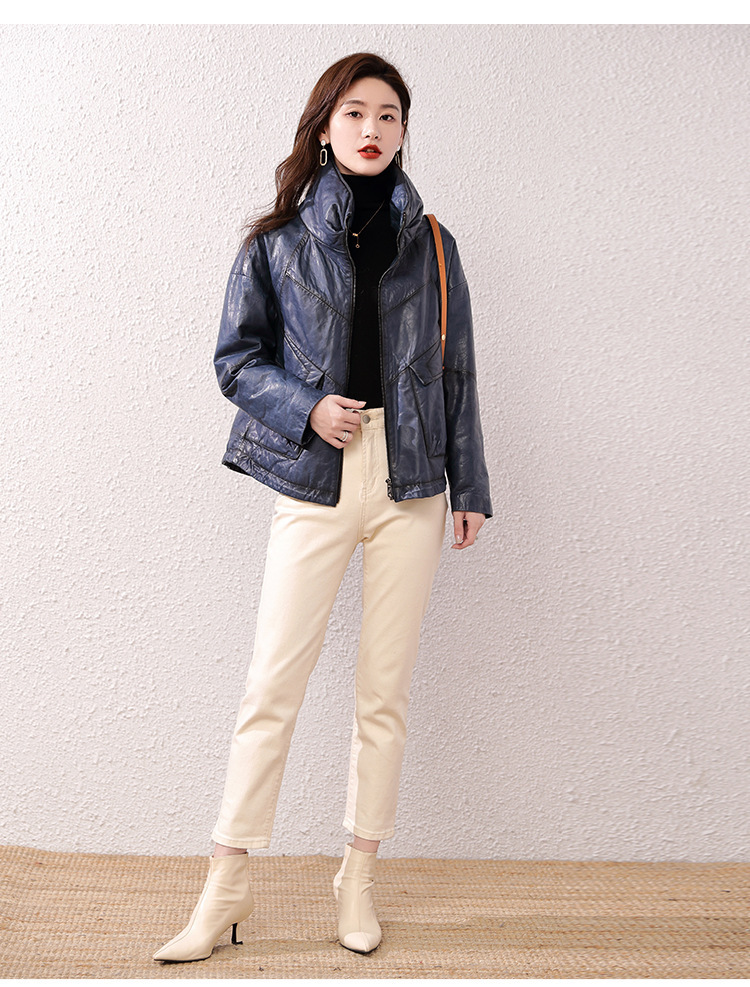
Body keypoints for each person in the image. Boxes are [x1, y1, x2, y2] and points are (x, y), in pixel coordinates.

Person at [153, 51, 492, 964]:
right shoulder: (275, 240)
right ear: (324, 127)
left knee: (385, 690)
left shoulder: (435, 244)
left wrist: (470, 488)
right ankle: (225, 884)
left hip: (413, 480)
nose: (372, 129)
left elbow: (457, 373)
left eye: (388, 114)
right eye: (355, 113)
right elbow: (236, 360)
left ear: (403, 130)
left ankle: (358, 877)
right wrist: (306, 407)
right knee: (272, 683)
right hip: (318, 474)